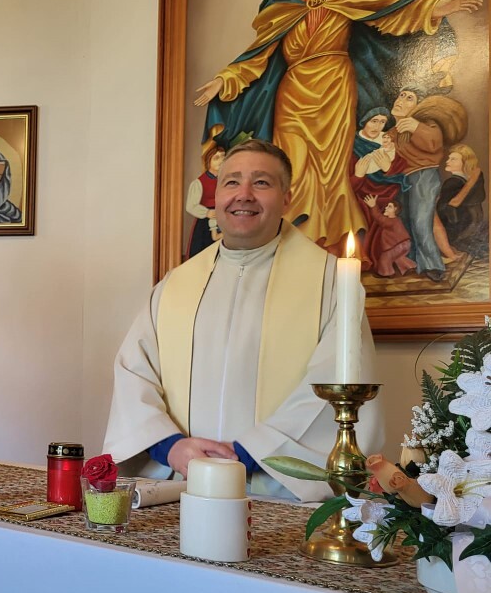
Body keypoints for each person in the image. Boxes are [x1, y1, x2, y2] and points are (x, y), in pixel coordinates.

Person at [104, 139, 383, 502]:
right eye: (232, 182)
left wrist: (250, 452)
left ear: (287, 198)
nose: (244, 194)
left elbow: (339, 382)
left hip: (280, 491)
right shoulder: (175, 285)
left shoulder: (330, 282)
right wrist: (170, 447)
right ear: (216, 196)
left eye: (262, 182)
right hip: (182, 485)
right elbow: (134, 374)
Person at [194, 0, 482, 254]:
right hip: (293, 93)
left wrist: (438, 7)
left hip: (334, 88)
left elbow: (395, 12)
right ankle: (291, 247)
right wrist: (224, 80)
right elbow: (257, 56)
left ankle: (328, 247)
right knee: (293, 165)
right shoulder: (282, 7)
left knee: (331, 172)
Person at [388, 86, 469, 280]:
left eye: (409, 98)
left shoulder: (426, 125)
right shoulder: (391, 133)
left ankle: (432, 265)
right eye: (401, 95)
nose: (401, 100)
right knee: (406, 220)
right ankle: (414, 261)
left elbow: (434, 144)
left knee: (420, 221)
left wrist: (415, 127)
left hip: (423, 176)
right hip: (402, 180)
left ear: (419, 106)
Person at [185, 128, 226, 258]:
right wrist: (208, 213)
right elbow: (191, 206)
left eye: (223, 157)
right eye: (217, 158)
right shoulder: (199, 183)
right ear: (208, 161)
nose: (221, 160)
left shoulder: (227, 181)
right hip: (206, 224)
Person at [438, 143, 486, 249]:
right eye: (449, 158)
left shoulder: (452, 182)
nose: (447, 161)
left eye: (453, 159)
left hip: (455, 230)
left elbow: (443, 210)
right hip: (472, 227)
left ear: (465, 162)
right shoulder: (473, 179)